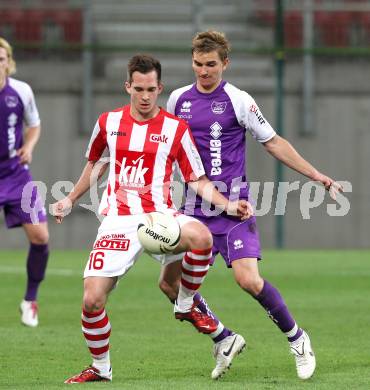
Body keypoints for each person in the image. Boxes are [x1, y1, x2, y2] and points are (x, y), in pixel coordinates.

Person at [52, 54, 252, 384]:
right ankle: (101, 368)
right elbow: (97, 165)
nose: (145, 96)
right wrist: (70, 199)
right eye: (139, 89)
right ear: (128, 86)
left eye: (151, 89)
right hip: (118, 219)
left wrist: (228, 205)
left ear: (160, 88)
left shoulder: (176, 129)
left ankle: (187, 304)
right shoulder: (108, 123)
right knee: (92, 299)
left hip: (160, 217)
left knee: (200, 239)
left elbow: (196, 179)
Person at [161, 30, 342, 380]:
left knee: (248, 280)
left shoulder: (239, 100)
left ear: (225, 63)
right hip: (193, 211)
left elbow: (273, 143)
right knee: (170, 285)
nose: (203, 71)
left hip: (233, 210)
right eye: (198, 64)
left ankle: (298, 339)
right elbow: (170, 152)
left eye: (211, 64)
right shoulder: (177, 100)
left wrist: (315, 174)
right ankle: (223, 337)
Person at [0, 37, 49, 327]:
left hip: (16, 174)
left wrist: (28, 146)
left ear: (8, 62)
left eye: (1, 58)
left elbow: (34, 124)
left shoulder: (21, 91)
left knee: (41, 237)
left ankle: (30, 300)